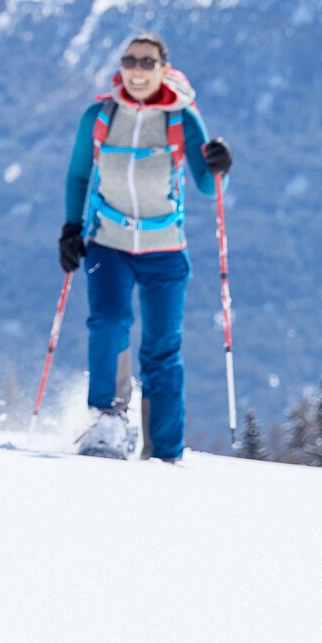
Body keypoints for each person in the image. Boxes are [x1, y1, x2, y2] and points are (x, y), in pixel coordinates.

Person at [58, 32, 231, 462]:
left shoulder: (182, 119)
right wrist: (70, 228)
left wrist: (220, 166)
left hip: (165, 250)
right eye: (130, 61)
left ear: (163, 68)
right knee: (108, 323)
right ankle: (108, 422)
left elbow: (209, 186)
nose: (137, 70)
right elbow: (79, 175)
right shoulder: (98, 116)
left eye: (147, 62)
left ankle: (164, 451)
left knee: (161, 349)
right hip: (108, 244)